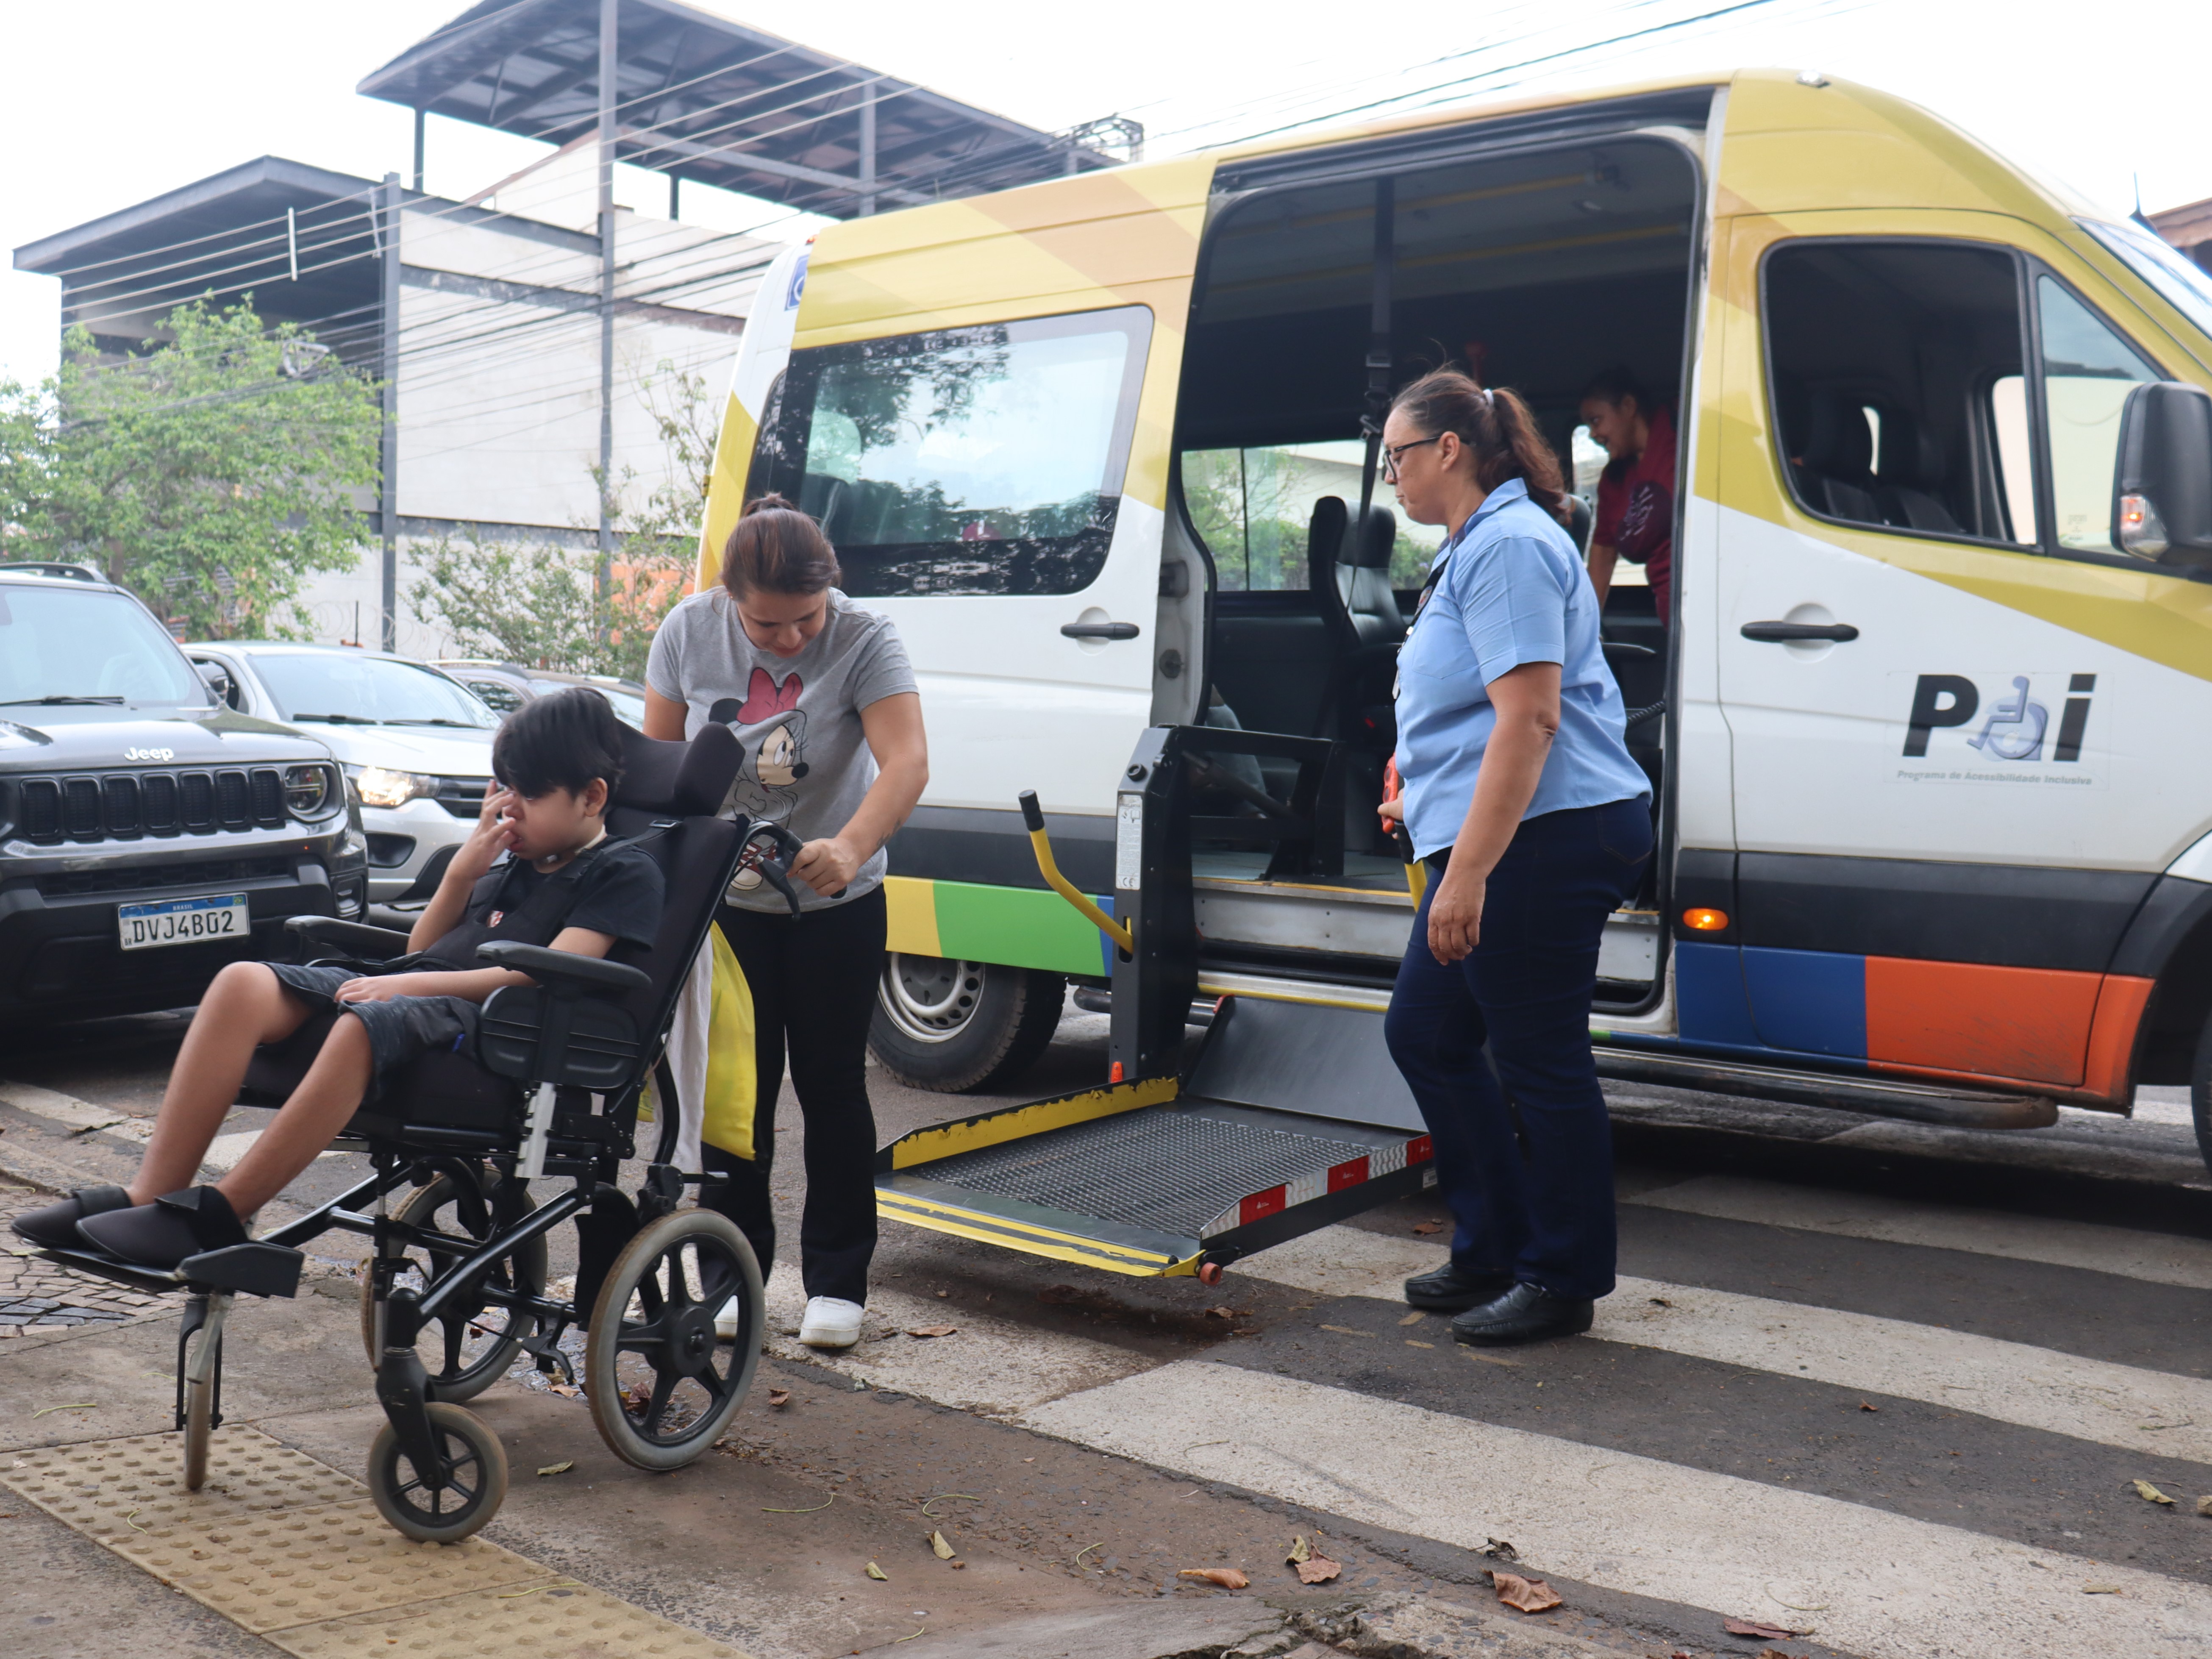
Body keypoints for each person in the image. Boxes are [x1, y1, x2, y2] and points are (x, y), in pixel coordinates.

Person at [12, 690, 664, 1268]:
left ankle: (222, 1214)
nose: (507, 809)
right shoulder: (512, 857)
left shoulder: (623, 872)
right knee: (243, 981)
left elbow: (542, 975)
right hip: (425, 995)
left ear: (593, 796)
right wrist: (463, 875)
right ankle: (149, 1192)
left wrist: (408, 988)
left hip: (501, 1028)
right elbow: (422, 949)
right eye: (502, 789)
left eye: (527, 794)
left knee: (364, 1022)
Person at [1377, 370, 1653, 1346]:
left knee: (1538, 1061)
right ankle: (1492, 1244)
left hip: (1545, 835)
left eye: (1396, 457)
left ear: (1447, 450)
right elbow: (1466, 697)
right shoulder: (1475, 547)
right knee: (1426, 1034)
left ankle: (1559, 1276)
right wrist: (1411, 771)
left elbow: (1531, 717)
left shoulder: (1506, 546)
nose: (1390, 480)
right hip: (1509, 832)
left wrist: (1466, 875)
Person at [644, 495, 926, 1352]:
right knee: (735, 1093)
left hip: (836, 903)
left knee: (834, 1086)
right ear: (732, 596)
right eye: (767, 626)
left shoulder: (867, 636)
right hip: (724, 909)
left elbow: (906, 759)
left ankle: (838, 1281)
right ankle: (733, 1274)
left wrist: (850, 843)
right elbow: (658, 772)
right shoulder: (687, 631)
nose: (791, 639)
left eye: (806, 620)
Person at [1578, 367, 1677, 624]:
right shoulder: (1614, 479)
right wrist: (1587, 627)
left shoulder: (1679, 429)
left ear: (1628, 406)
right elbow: (1603, 551)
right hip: (1673, 613)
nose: (1592, 433)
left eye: (1596, 420)